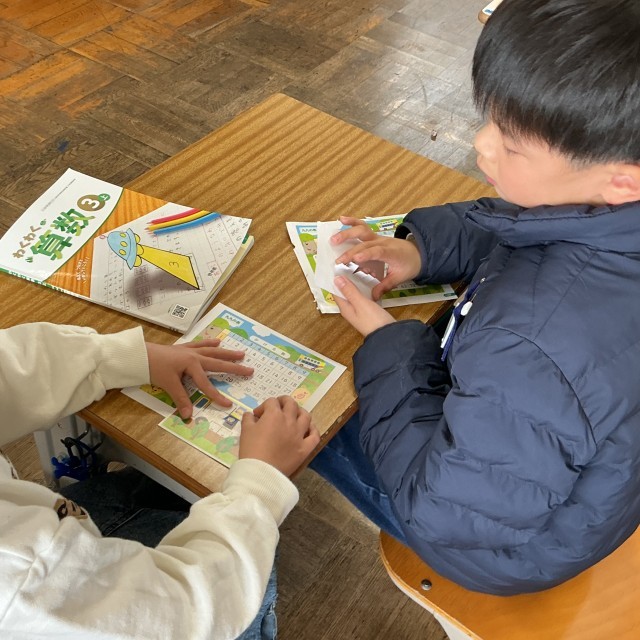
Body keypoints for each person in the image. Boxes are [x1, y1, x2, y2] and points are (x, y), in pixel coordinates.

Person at [310, 0, 640, 595]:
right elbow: (528, 226)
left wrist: (389, 343)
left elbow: (443, 512)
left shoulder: (530, 350)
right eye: (490, 119)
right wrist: (421, 251)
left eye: (511, 143)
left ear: (621, 180)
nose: (480, 144)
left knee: (308, 415)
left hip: (497, 547)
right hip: (565, 477)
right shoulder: (607, 211)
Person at [0, 321, 319, 638]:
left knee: (163, 491)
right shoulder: (20, 574)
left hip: (50, 536)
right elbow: (188, 613)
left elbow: (13, 368)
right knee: (256, 559)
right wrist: (261, 484)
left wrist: (118, 358)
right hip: (95, 598)